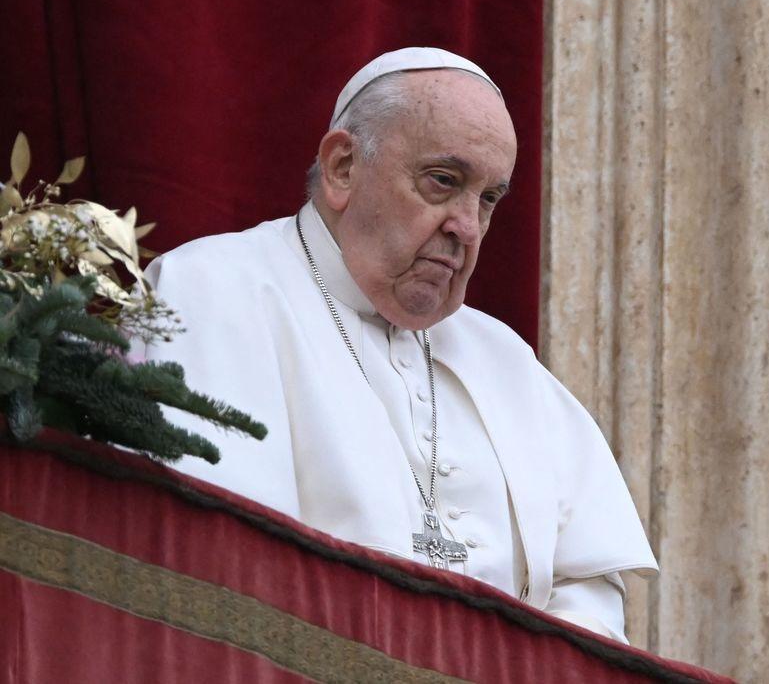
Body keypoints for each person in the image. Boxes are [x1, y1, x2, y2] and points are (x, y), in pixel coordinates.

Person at [144, 47, 656, 642]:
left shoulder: (508, 363)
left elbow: (589, 597)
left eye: (488, 199)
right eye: (443, 181)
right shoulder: (214, 291)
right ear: (342, 167)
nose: (467, 226)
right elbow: (220, 569)